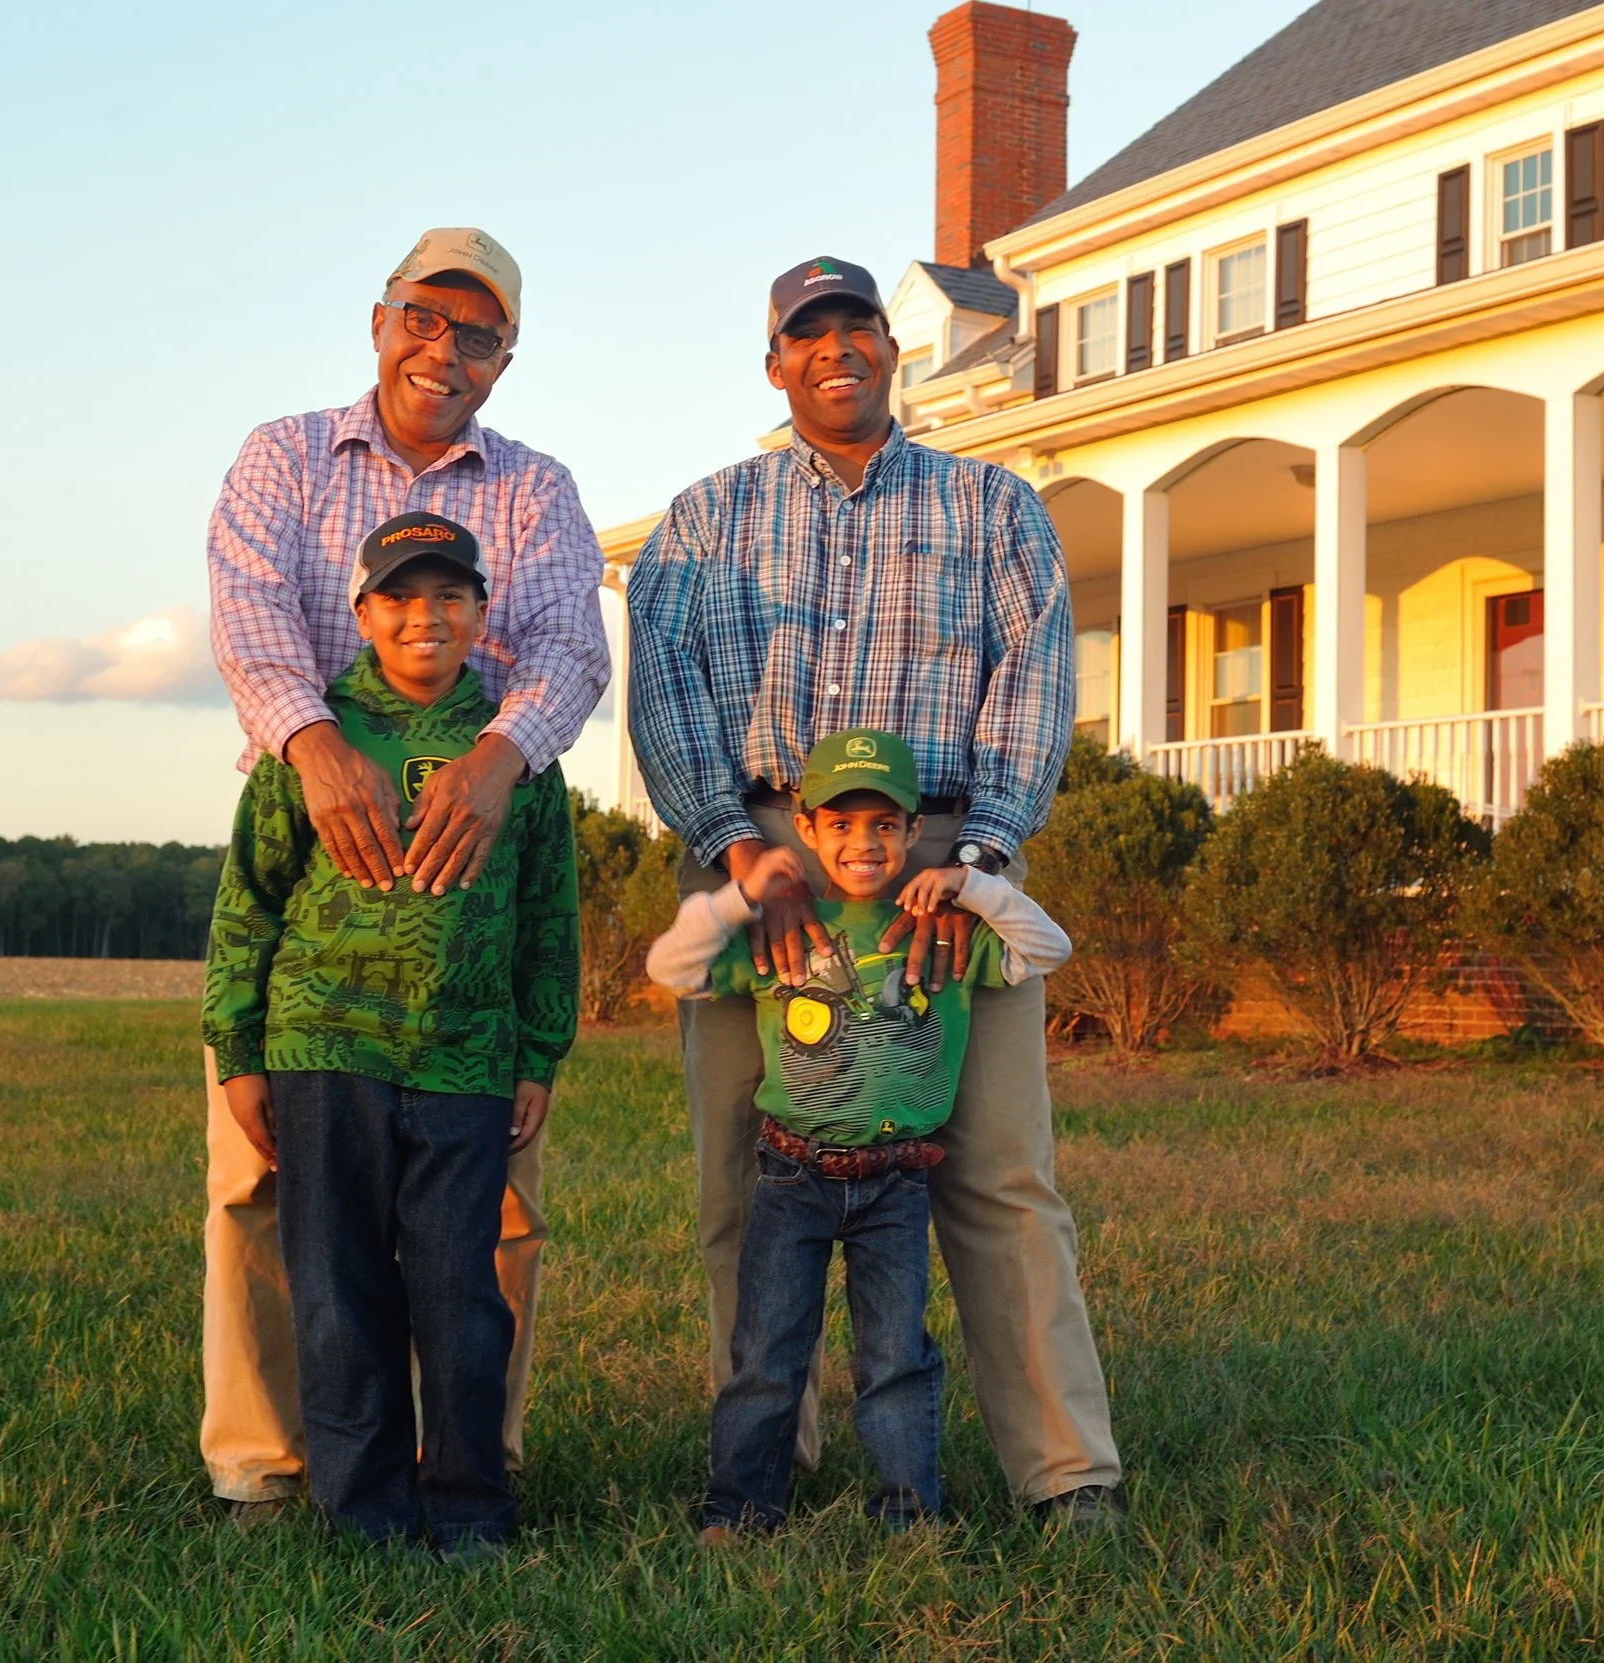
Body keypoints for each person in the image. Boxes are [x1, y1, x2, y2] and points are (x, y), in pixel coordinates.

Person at [626, 256, 1125, 1526]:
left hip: (942, 862)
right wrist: (730, 840)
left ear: (891, 352)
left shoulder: (992, 509)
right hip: (759, 860)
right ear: (775, 362)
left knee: (1000, 1171)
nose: (836, 349)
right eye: (809, 333)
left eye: (858, 327)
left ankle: (1065, 1472)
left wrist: (983, 854)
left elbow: (1032, 686)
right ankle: (763, 1461)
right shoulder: (703, 519)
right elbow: (666, 686)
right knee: (745, 1174)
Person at [202, 229, 610, 1518]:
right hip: (314, 873)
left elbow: (566, 651)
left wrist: (500, 758)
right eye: (424, 318)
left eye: (476, 333)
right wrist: (318, 747)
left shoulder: (534, 490)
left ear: (506, 354)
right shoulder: (284, 454)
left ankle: (473, 1463)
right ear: (380, 319)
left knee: (484, 1223)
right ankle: (276, 1462)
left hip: (471, 888)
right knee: (270, 1199)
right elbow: (250, 612)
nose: (444, 349)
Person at [205, 512, 578, 1559]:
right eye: (401, 596)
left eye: (449, 594)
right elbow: (250, 905)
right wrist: (239, 1052)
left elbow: (550, 916)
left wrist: (537, 1052)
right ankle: (361, 1511)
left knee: (461, 1295)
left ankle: (466, 1510)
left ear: (480, 613)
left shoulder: (518, 755)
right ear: (362, 613)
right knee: (336, 1293)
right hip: (325, 1052)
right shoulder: (314, 743)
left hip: (463, 1058)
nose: (427, 615)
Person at [645, 729, 1072, 1541]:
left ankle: (909, 1514)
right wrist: (741, 894)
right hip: (791, 1175)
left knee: (895, 1359)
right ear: (806, 827)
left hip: (894, 1181)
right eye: (841, 824)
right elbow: (671, 968)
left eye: (884, 825)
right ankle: (742, 1506)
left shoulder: (941, 928)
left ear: (915, 832)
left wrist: (973, 886)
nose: (863, 843)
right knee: (767, 1351)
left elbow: (1049, 949)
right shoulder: (781, 930)